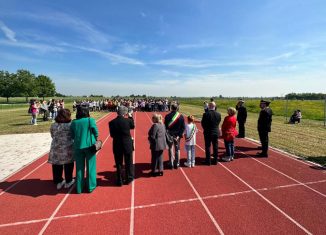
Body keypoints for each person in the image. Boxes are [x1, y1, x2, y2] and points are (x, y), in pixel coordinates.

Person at [70, 104, 99, 193]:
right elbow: (96, 132)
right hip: (89, 146)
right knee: (91, 166)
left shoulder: (74, 122)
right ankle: (91, 186)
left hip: (78, 146)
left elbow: (72, 135)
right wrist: (95, 138)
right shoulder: (90, 120)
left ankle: (79, 188)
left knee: (79, 167)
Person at [48, 108, 75, 189]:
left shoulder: (53, 125)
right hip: (68, 148)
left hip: (56, 148)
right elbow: (73, 135)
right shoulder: (71, 125)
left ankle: (58, 181)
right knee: (68, 164)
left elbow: (52, 135)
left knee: (56, 164)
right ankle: (68, 181)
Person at [109, 106, 135, 186]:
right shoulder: (128, 121)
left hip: (117, 144)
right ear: (125, 113)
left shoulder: (111, 122)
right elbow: (133, 126)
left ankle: (119, 180)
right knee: (128, 162)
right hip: (127, 144)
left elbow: (112, 135)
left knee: (118, 163)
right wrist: (130, 116)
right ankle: (129, 178)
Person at [164, 103, 185, 169]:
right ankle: (177, 163)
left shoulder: (167, 116)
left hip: (170, 135)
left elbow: (166, 127)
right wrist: (179, 135)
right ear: (177, 108)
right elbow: (183, 127)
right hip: (177, 136)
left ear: (171, 108)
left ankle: (171, 163)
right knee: (177, 149)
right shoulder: (181, 116)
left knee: (170, 148)